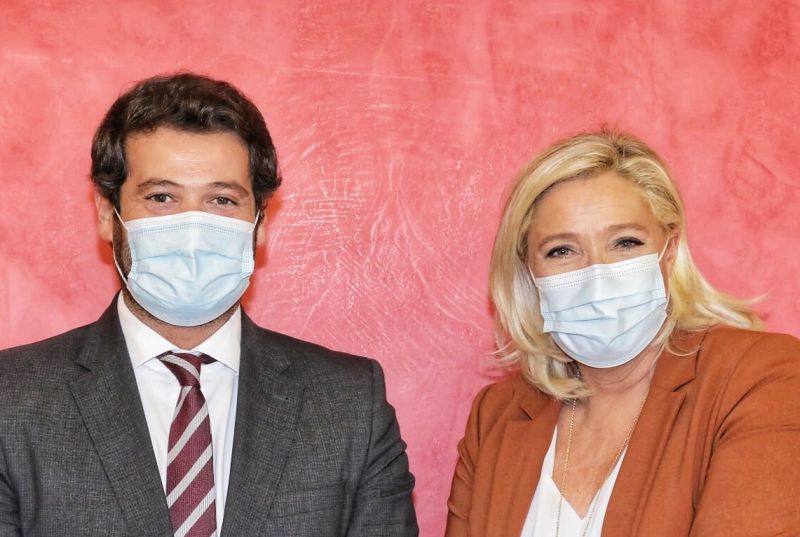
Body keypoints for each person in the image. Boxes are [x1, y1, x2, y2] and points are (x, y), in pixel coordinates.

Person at [0, 73, 418, 537]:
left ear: (260, 223)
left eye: (221, 199)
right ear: (106, 214)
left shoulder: (350, 404)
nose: (193, 231)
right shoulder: (11, 399)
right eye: (162, 197)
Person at [445, 131, 800, 537]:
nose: (597, 275)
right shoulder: (496, 414)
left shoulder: (759, 377)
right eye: (562, 250)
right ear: (529, 271)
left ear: (669, 253)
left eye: (625, 243)